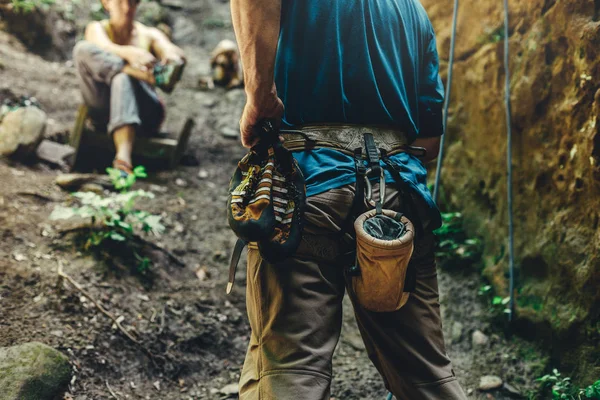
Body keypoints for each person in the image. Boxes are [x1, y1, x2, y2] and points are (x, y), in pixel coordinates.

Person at [230, 0, 468, 399]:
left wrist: (259, 95)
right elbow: (429, 140)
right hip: (396, 203)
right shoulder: (413, 12)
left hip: (305, 191)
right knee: (425, 375)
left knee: (292, 369)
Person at [73, 0, 185, 175]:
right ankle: (136, 73)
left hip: (145, 113)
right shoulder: (97, 29)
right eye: (120, 2)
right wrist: (130, 57)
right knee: (83, 50)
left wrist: (170, 56)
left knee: (123, 78)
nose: (127, 8)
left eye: (132, 3)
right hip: (103, 108)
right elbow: (104, 46)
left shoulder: (148, 34)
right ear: (107, 3)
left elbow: (171, 50)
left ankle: (123, 159)